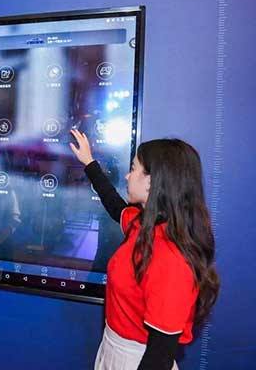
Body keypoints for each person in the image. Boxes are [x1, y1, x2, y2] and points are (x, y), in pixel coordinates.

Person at [69, 129, 220, 370]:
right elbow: (114, 205)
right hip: (113, 348)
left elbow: (159, 357)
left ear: (151, 181)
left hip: (136, 360)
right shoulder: (143, 226)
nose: (127, 176)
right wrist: (89, 162)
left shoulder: (171, 259)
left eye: (133, 169)